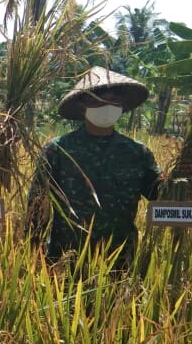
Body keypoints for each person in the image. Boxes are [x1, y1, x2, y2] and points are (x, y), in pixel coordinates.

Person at [27, 66, 163, 270]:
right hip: (65, 261)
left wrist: (182, 175)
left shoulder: (137, 153)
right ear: (83, 105)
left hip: (121, 261)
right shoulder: (58, 151)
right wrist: (34, 255)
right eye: (101, 101)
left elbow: (160, 195)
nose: (108, 107)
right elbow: (37, 208)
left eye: (114, 102)